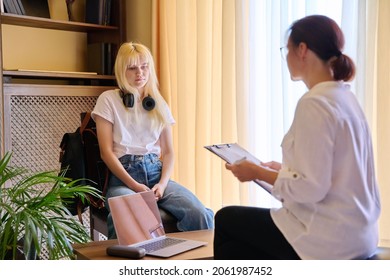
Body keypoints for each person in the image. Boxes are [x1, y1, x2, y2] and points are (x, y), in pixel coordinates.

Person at [213, 15, 381, 260]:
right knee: (240, 239)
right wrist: (282, 170)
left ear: (302, 50)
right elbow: (332, 172)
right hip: (361, 236)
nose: (286, 57)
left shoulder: (315, 103)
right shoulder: (346, 98)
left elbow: (310, 188)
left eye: (287, 49)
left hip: (329, 239)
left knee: (226, 219)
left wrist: (256, 172)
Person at [92, 42, 214, 239]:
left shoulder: (158, 103)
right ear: (122, 71)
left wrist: (163, 184)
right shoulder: (108, 100)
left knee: (199, 214)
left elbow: (168, 152)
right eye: (132, 68)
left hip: (156, 174)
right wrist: (134, 185)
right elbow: (106, 152)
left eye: (144, 66)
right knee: (131, 214)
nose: (140, 72)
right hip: (123, 177)